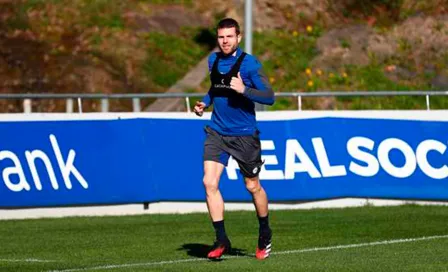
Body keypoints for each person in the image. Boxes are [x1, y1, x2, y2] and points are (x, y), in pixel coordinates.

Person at [194, 18, 275, 260]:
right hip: (217, 131)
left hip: (244, 136)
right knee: (209, 183)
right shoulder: (213, 60)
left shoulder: (249, 64)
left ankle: (264, 231)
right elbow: (215, 88)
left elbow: (270, 97)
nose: (225, 41)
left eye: (229, 36)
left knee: (252, 186)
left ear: (238, 37)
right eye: (221, 37)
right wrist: (205, 103)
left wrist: (244, 90)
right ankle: (221, 239)